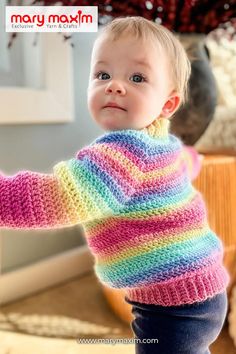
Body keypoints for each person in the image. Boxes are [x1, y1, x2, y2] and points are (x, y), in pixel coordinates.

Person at [0, 16, 229, 354]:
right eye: (102, 75)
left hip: (172, 305)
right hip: (200, 290)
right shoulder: (160, 144)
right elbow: (186, 161)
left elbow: (58, 199)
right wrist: (193, 161)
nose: (115, 85)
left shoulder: (122, 152)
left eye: (137, 77)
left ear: (167, 104)